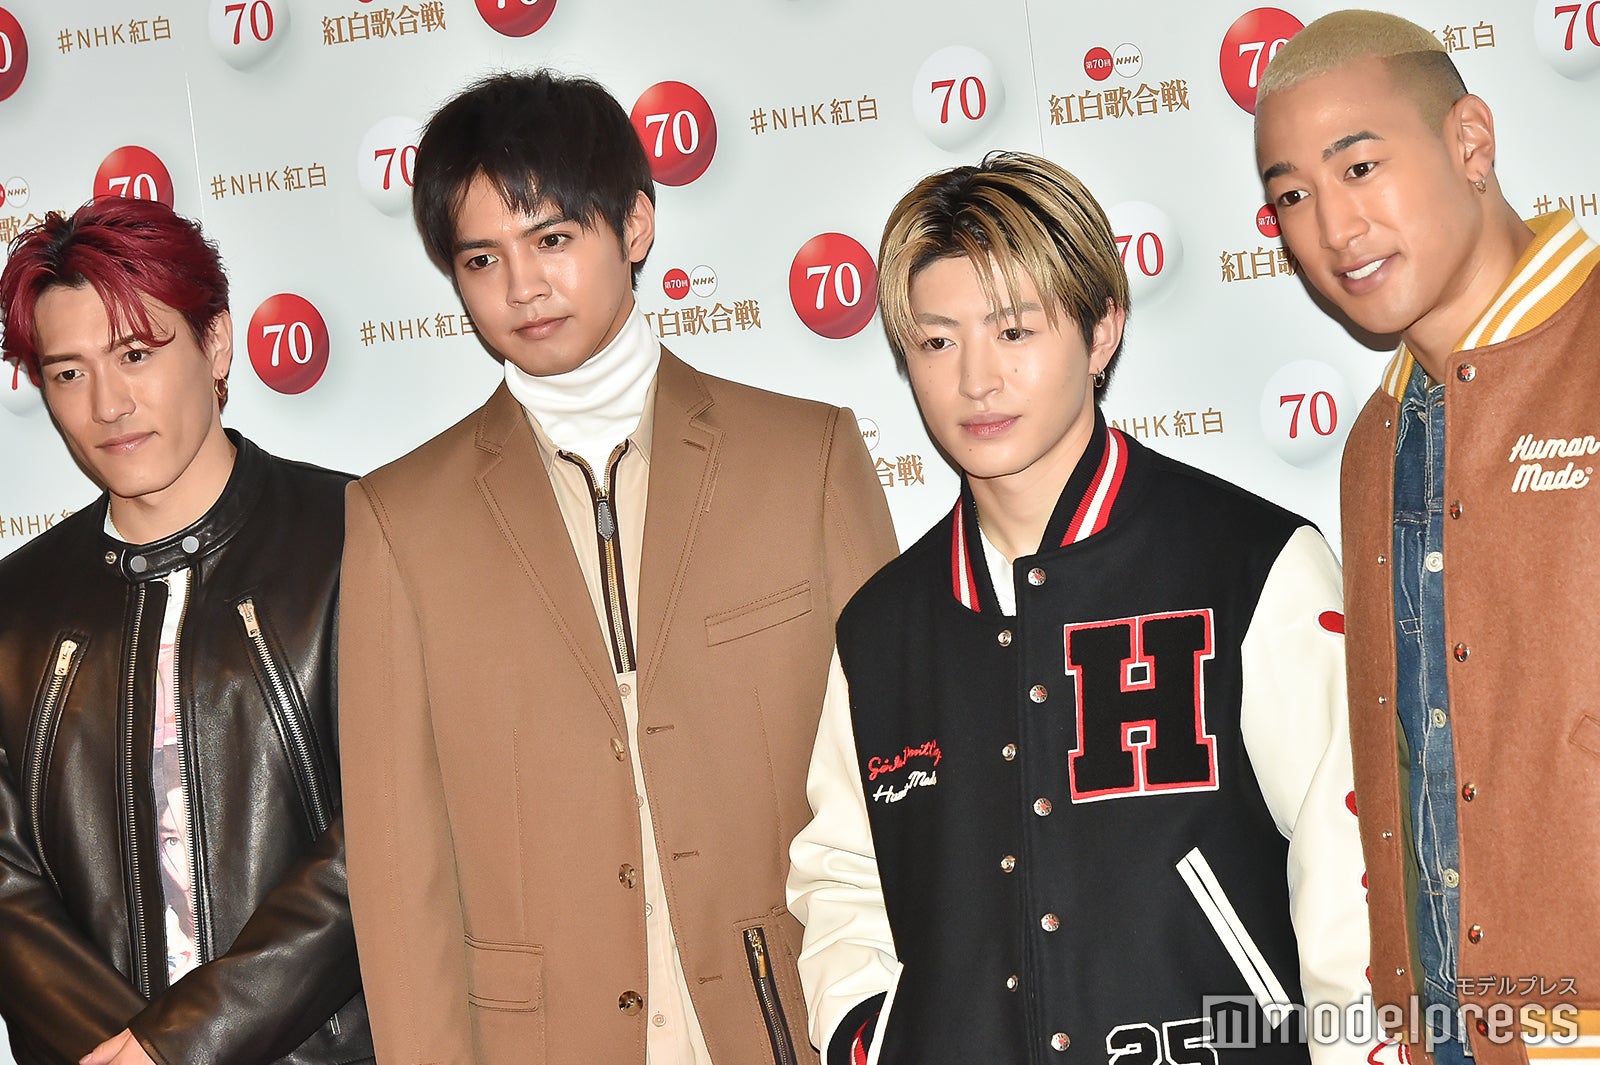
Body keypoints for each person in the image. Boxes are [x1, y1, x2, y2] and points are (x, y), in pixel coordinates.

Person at [337, 69, 897, 1065]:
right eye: (481, 259)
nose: (522, 287)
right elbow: (397, 873)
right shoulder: (399, 521)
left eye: (552, 239)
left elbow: (899, 781)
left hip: (795, 1024)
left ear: (634, 224)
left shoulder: (804, 460)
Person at [786, 152, 1371, 1065]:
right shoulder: (881, 630)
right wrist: (869, 1036)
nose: (977, 380)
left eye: (1014, 331)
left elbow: (1352, 871)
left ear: (1102, 331)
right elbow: (841, 879)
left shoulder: (1251, 564)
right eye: (938, 342)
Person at [1254, 11, 1600, 1065]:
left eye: (1360, 167)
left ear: (1470, 143)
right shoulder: (1376, 437)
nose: (1334, 227)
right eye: (1292, 196)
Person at [0, 197, 371, 1065]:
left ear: (217, 344)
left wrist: (182, 1045)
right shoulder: (16, 606)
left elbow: (384, 834)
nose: (108, 404)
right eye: (68, 373)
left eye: (136, 354)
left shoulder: (356, 537)